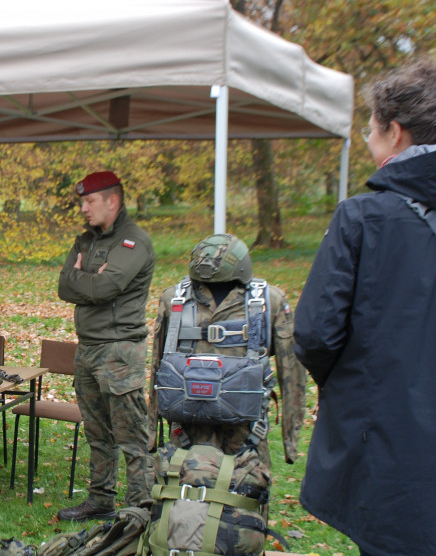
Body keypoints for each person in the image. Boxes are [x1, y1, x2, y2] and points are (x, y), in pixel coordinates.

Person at [293, 59, 436, 556]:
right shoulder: (367, 216)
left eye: (369, 130)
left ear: (395, 132)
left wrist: (352, 387)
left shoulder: (363, 218)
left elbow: (314, 332)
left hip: (384, 431)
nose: (367, 142)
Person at [147, 234, 305, 469]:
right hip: (187, 432)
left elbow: (291, 373)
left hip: (246, 435)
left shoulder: (268, 302)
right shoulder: (175, 300)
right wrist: (151, 429)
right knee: (182, 500)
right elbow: (158, 367)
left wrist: (290, 439)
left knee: (244, 497)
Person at [56, 171, 156, 522]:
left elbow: (105, 288)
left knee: (131, 434)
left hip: (119, 351)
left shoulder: (134, 242)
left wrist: (83, 280)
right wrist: (85, 279)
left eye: (89, 201)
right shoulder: (86, 241)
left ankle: (140, 505)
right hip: (87, 349)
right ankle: (100, 499)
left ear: (112, 201)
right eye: (82, 202)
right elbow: (64, 286)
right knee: (97, 431)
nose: (83, 208)